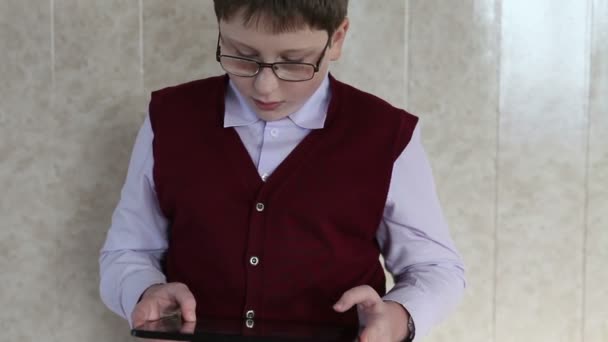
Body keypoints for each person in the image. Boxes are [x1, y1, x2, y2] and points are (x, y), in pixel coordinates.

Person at [99, 1, 465, 341]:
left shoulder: (386, 134)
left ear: (336, 39)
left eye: (294, 62)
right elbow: (127, 251)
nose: (264, 86)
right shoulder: (170, 119)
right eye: (242, 56)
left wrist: (399, 316)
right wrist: (145, 290)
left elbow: (436, 268)